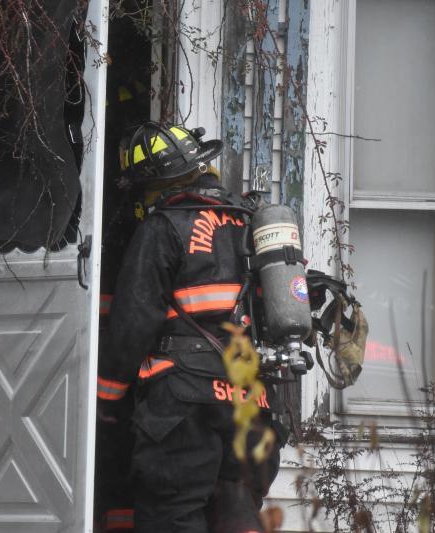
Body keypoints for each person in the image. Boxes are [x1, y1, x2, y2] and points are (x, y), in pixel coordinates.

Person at [96, 122, 284, 533]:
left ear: (153, 184)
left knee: (172, 519)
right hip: (251, 407)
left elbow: (132, 324)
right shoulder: (251, 223)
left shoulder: (163, 227)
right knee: (237, 514)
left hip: (183, 413)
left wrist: (106, 401)